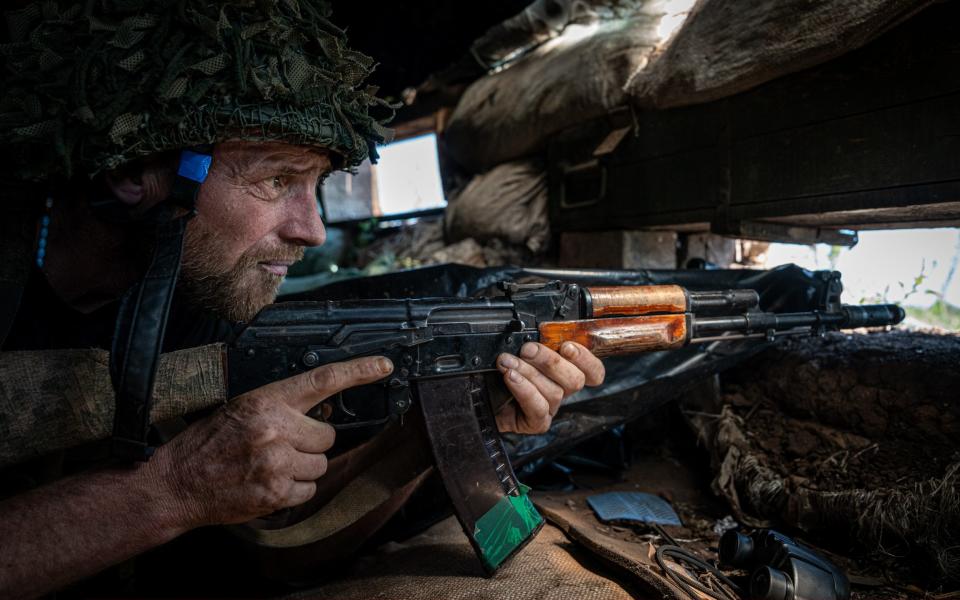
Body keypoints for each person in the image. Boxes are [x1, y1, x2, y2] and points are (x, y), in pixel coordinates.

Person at [0, 1, 605, 597]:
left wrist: (434, 431)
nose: (312, 228)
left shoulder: (198, 299)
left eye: (315, 185)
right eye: (276, 180)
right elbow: (177, 497)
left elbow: (278, 553)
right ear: (134, 174)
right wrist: (172, 489)